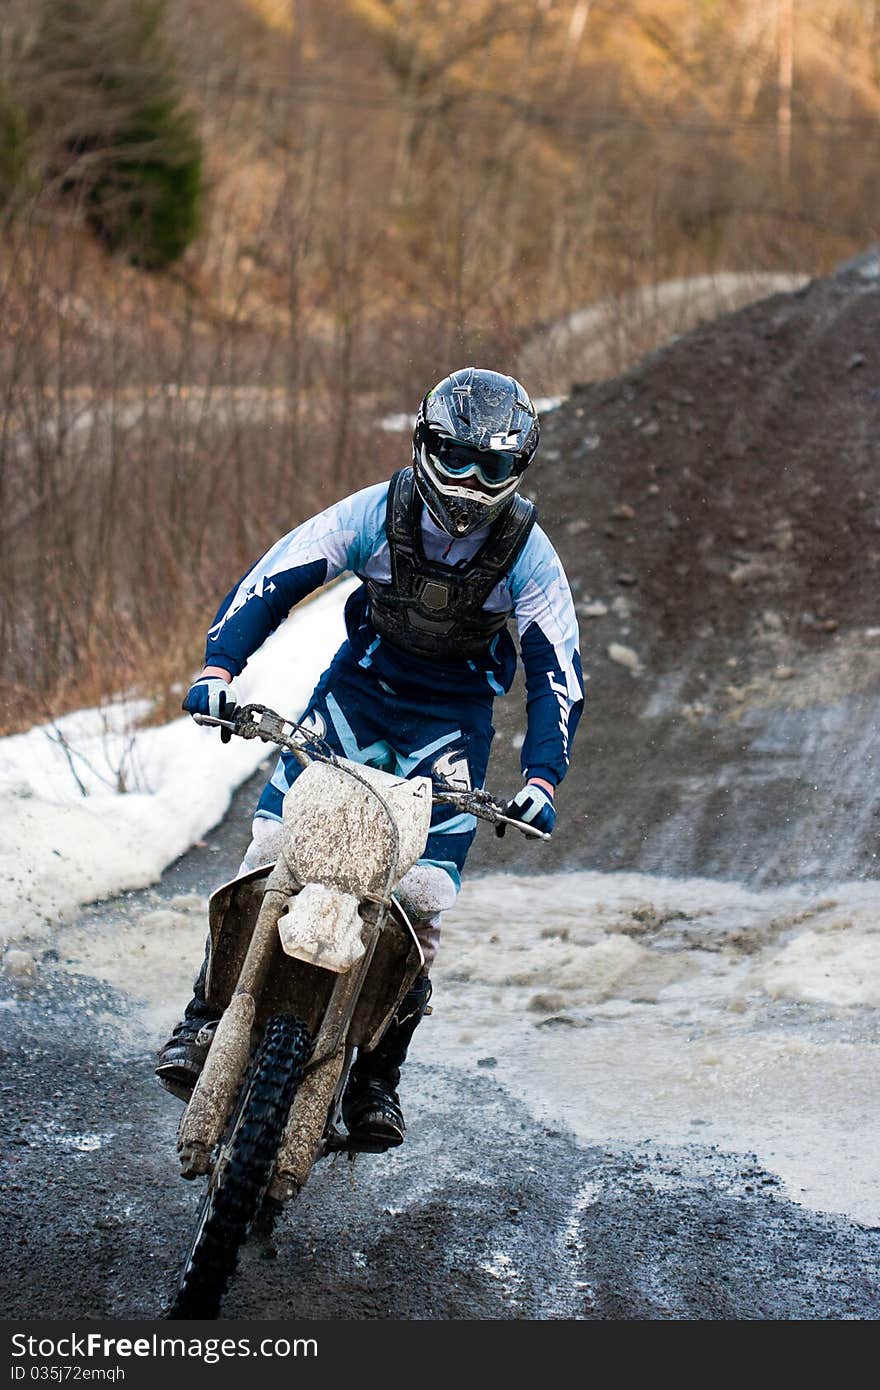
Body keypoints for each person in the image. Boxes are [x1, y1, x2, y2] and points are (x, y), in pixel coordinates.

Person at [156, 366, 584, 1149]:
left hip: (451, 730)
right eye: (453, 457)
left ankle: (377, 1076)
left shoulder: (528, 553)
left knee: (420, 901)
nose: (466, 483)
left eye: (490, 467)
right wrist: (220, 668)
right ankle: (204, 1018)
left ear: (516, 473)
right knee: (270, 852)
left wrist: (542, 779)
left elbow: (557, 668)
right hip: (354, 699)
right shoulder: (375, 513)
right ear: (423, 445)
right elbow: (277, 577)